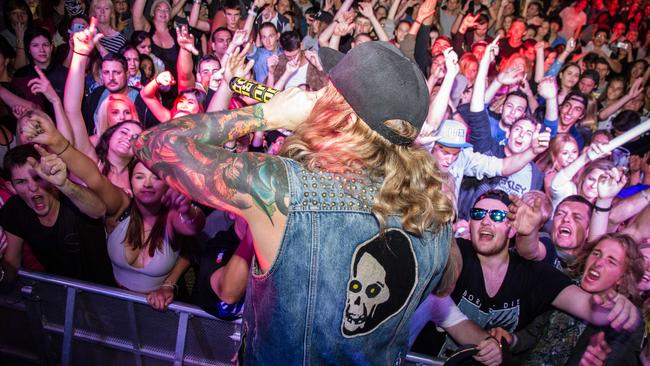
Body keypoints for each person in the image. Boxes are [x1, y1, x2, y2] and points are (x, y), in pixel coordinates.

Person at [134, 41, 456, 364]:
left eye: (328, 88)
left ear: (341, 112)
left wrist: (265, 114)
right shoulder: (434, 213)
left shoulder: (289, 190)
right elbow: (440, 288)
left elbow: (154, 144)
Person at [411, 190, 640, 359]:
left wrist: (622, 309)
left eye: (498, 216)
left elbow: (592, 309)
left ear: (512, 227)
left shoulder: (536, 275)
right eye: (479, 213)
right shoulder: (453, 252)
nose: (486, 220)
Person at [0, 140, 114, 286]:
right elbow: (11, 264)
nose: (33, 187)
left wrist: (64, 184)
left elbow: (99, 210)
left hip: (101, 292)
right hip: (59, 295)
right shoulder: (15, 209)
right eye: (21, 182)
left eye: (38, 178)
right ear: (11, 187)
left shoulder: (72, 196)